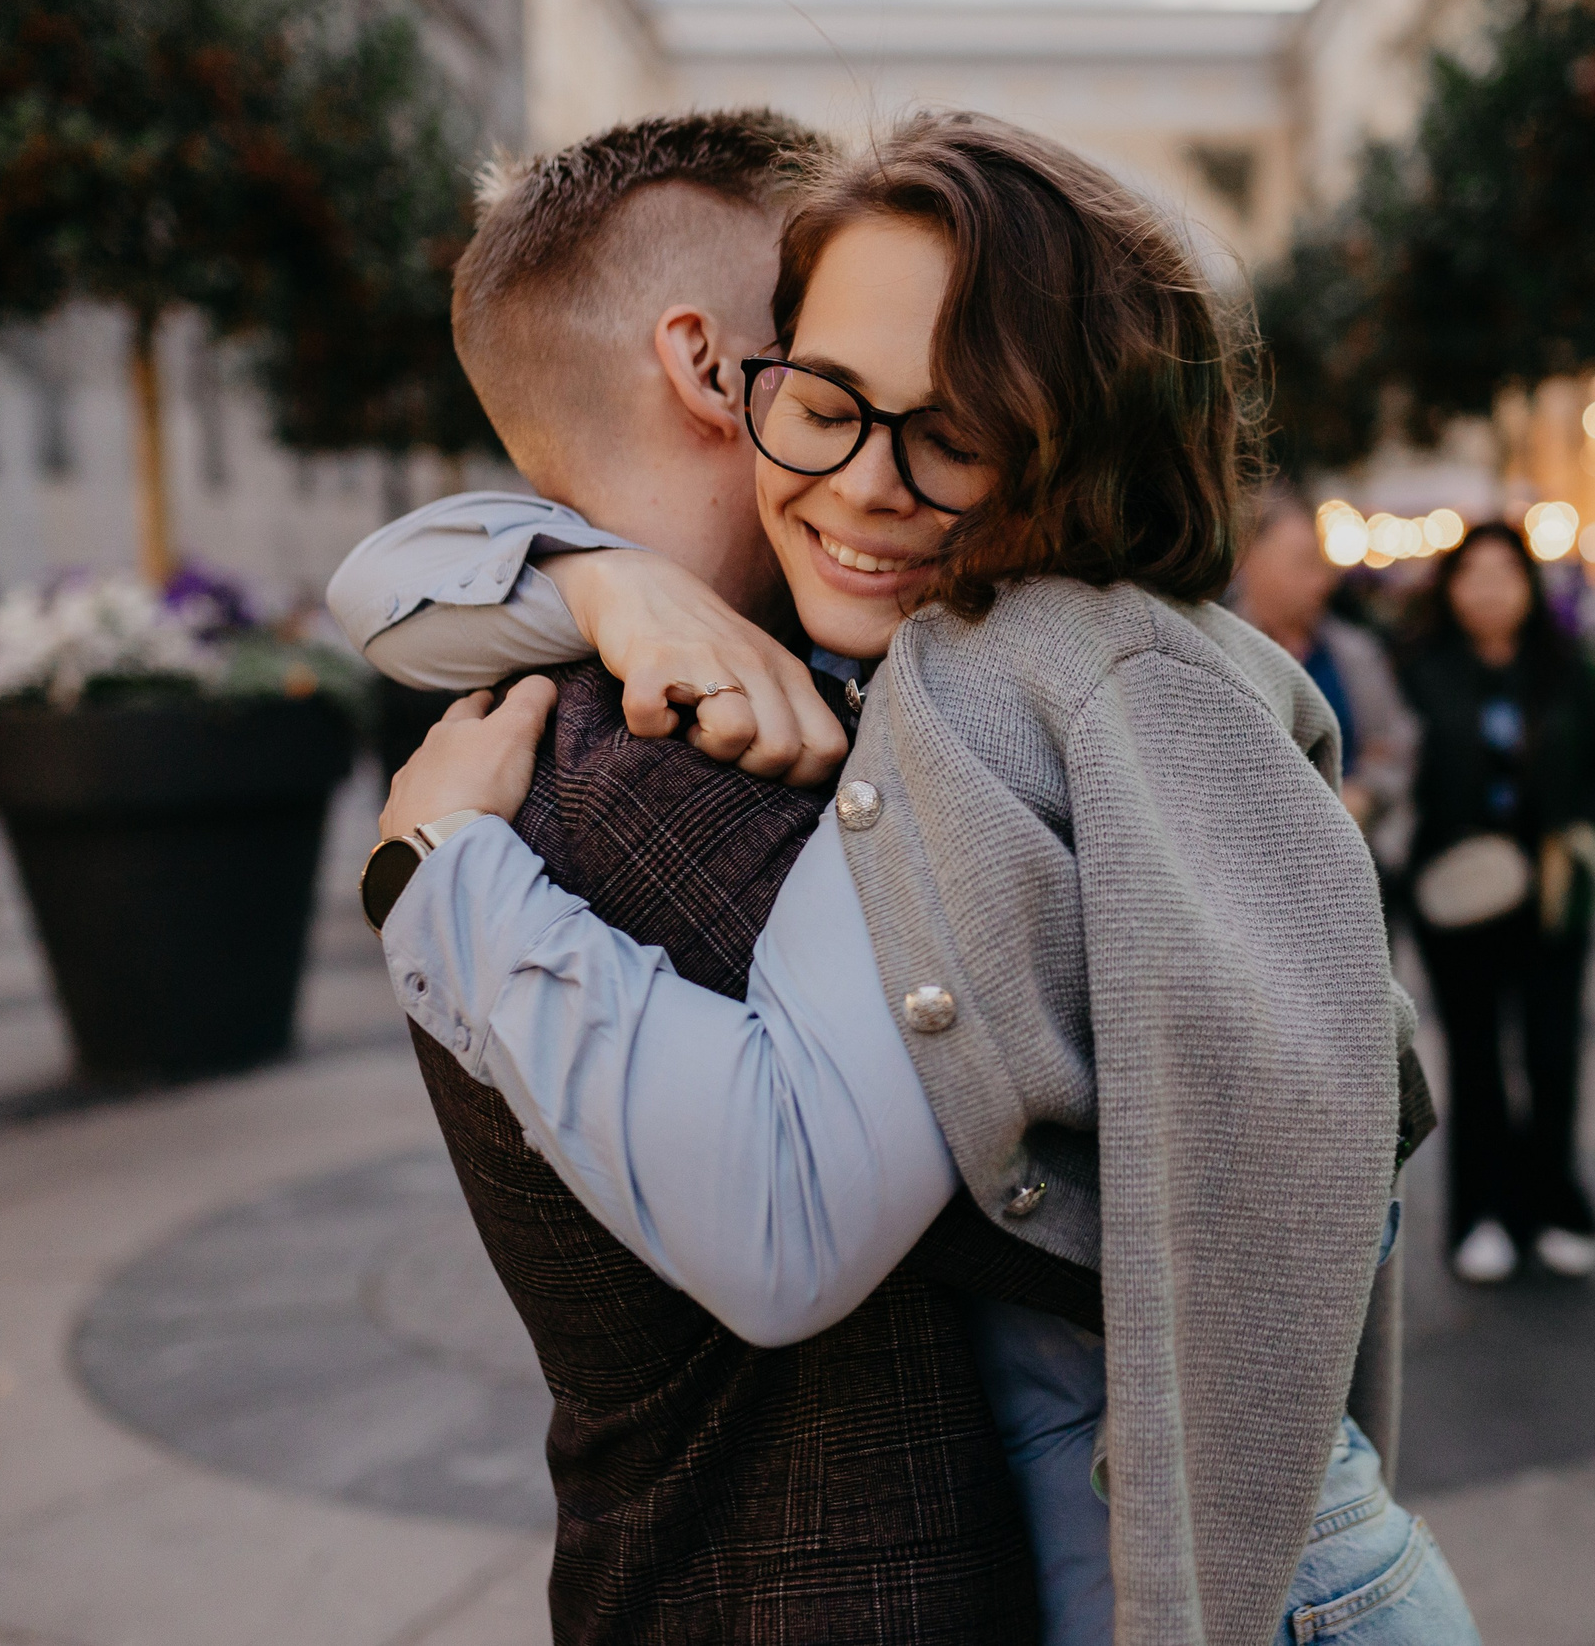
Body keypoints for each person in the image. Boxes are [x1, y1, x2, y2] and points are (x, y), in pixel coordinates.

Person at [347, 112, 1474, 1645]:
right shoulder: (1094, 653)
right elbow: (391, 587)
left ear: (1066, 431)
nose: (868, 480)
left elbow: (786, 1216)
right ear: (740, 377)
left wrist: (442, 874)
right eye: (820, 393)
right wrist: (599, 577)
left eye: (951, 428)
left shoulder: (1006, 679)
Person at [335, 110, 1066, 1646]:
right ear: (710, 367)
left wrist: (591, 573)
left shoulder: (612, 678)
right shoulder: (651, 773)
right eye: (823, 352)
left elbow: (398, 582)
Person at [1398, 523, 1595, 1285]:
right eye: (1473, 573)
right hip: (1456, 897)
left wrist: (1582, 830)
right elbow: (1403, 779)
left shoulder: (1564, 670)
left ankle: (1557, 1205)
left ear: (1530, 586)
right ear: (1450, 587)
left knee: (1553, 1055)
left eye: (1506, 573)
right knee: (1478, 1059)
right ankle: (1481, 1215)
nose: (1489, 588)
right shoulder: (1420, 671)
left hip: (1552, 895)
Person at [1233, 495, 1418, 874]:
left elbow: (1397, 741)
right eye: (1304, 563)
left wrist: (1365, 792)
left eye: (1322, 563)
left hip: (1356, 857)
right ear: (1250, 561)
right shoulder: (1217, 657)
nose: (1323, 580)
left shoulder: (1355, 653)